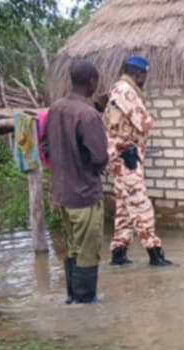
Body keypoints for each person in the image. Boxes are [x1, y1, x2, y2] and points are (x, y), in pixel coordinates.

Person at [42, 61, 109, 304]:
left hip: (62, 194)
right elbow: (100, 157)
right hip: (84, 194)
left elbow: (45, 146)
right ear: (91, 81)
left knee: (73, 247)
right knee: (88, 252)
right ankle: (85, 303)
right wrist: (92, 168)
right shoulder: (88, 115)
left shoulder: (56, 108)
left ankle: (72, 298)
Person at [103, 55, 172, 267]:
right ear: (138, 74)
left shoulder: (119, 89)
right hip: (126, 158)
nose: (144, 81)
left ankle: (119, 253)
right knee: (141, 205)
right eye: (144, 76)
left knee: (125, 208)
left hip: (122, 157)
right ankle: (155, 253)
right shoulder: (126, 90)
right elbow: (144, 122)